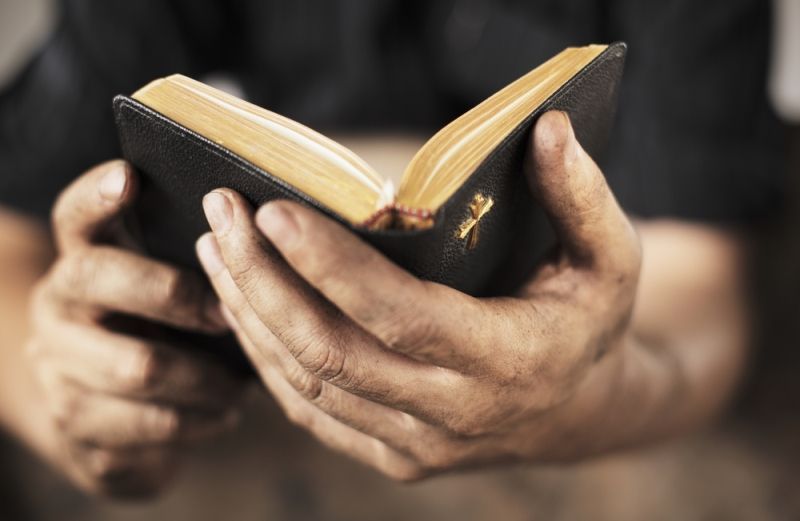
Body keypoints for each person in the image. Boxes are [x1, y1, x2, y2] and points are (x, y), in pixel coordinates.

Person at [0, 0, 782, 500]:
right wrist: (65, 395)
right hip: (236, 411)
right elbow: (10, 234)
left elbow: (700, 300)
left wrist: (588, 399)